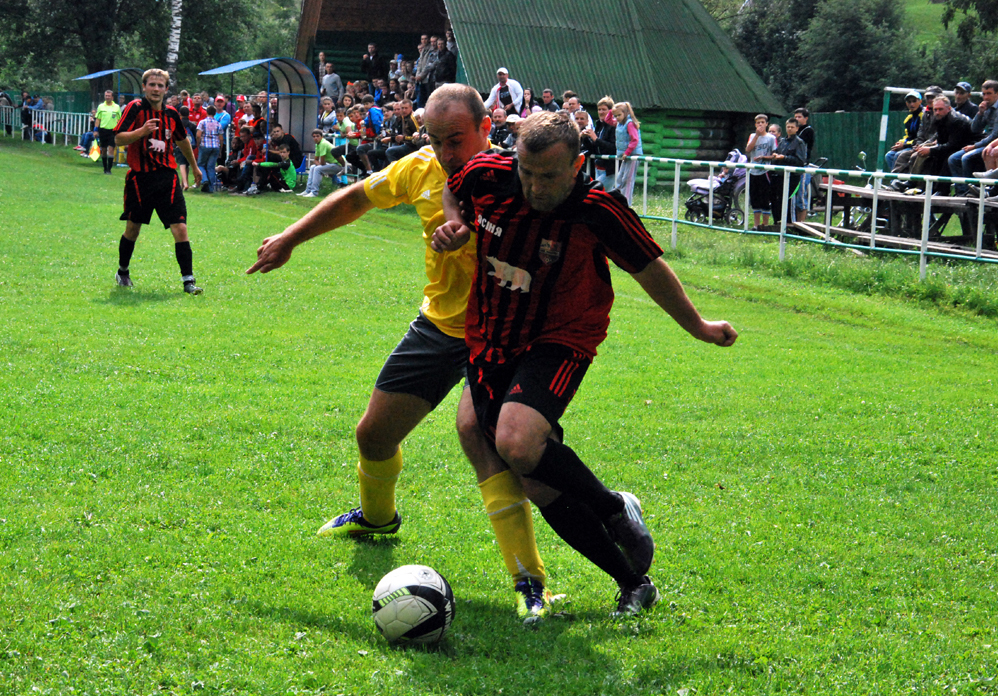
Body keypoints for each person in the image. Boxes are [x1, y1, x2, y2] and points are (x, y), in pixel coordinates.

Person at [247, 84, 555, 625]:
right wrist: (292, 238)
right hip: (439, 326)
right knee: (374, 434)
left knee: (482, 442)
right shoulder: (418, 168)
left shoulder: (518, 179)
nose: (444, 152)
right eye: (434, 140)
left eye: (455, 140)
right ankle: (377, 519)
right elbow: (354, 199)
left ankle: (530, 583)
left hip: (502, 334)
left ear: (487, 127)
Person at [431, 110, 738, 616]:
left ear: (577, 164)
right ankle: (632, 581)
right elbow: (453, 188)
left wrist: (699, 327)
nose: (534, 186)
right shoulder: (489, 173)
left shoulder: (599, 208)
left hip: (561, 339)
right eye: (527, 173)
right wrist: (456, 222)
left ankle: (614, 507)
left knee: (516, 440)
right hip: (489, 338)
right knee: (531, 472)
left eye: (548, 176)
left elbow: (651, 271)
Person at [112, 68, 203, 295]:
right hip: (139, 178)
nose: (155, 89)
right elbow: (118, 137)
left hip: (167, 178)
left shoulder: (172, 114)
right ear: (144, 87)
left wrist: (194, 166)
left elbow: (182, 141)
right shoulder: (135, 108)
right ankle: (123, 271)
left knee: (180, 227)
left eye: (160, 85)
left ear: (165, 89)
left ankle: (188, 281)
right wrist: (141, 131)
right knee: (133, 228)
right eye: (151, 85)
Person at [914, 96, 975, 191]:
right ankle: (926, 188)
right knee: (931, 156)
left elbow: (953, 145)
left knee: (949, 157)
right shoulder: (940, 119)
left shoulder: (955, 121)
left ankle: (947, 190)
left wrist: (931, 150)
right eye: (935, 110)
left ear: (949, 109)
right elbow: (942, 141)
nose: (937, 112)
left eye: (940, 109)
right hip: (958, 145)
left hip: (972, 145)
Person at [949, 80, 998, 195]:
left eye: (989, 93)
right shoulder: (987, 108)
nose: (985, 97)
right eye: (984, 94)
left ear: (997, 94)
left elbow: (995, 135)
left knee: (966, 158)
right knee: (953, 159)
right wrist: (980, 113)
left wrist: (974, 146)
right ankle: (962, 191)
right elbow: (974, 129)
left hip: (992, 143)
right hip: (987, 143)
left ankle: (972, 191)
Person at [761, 118, 806, 225]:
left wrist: (784, 157)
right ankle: (777, 222)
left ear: (797, 129)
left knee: (787, 200)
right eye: (788, 127)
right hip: (778, 176)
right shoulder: (781, 141)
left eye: (792, 127)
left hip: (792, 177)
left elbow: (800, 161)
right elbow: (775, 155)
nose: (790, 129)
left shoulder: (799, 143)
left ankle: (789, 224)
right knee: (774, 199)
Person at [603, 101, 643, 205]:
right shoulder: (619, 123)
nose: (616, 118)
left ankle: (626, 203)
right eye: (615, 116)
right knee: (620, 178)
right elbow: (608, 120)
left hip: (633, 155)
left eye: (619, 115)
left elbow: (635, 139)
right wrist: (612, 110)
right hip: (626, 155)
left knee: (628, 179)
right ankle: (619, 200)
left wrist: (627, 152)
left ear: (626, 113)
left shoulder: (629, 124)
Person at [885, 91, 924, 173]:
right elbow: (909, 136)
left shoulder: (924, 116)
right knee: (889, 155)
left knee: (898, 155)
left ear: (920, 101)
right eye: (909, 102)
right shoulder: (909, 118)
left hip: (920, 145)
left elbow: (922, 137)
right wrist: (900, 143)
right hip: (910, 145)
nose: (911, 104)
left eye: (914, 101)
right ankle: (897, 179)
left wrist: (904, 145)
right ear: (906, 104)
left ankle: (896, 182)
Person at [300, 129, 342, 198]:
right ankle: (308, 190)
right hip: (331, 164)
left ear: (322, 137)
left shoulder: (323, 143)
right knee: (313, 167)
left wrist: (320, 167)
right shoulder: (318, 144)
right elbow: (315, 160)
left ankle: (314, 192)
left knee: (317, 169)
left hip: (338, 165)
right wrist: (320, 166)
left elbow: (322, 162)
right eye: (314, 136)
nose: (315, 138)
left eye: (317, 136)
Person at [793, 108, 814, 222]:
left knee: (801, 195)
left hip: (803, 165)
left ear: (805, 118)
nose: (797, 119)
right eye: (795, 117)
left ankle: (801, 222)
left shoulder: (807, 131)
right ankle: (794, 220)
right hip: (793, 165)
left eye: (799, 117)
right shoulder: (795, 131)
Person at [591, 97, 618, 189]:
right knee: (604, 197)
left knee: (593, 191)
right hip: (598, 166)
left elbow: (613, 148)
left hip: (610, 169)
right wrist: (587, 138)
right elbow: (594, 147)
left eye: (604, 109)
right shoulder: (599, 125)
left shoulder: (613, 126)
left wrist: (596, 139)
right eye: (599, 109)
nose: (601, 112)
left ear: (610, 111)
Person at [196, 105, 223, 193]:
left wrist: (198, 143)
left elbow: (198, 135)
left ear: (207, 112)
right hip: (215, 146)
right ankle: (211, 188)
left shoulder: (202, 122)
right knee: (211, 167)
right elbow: (221, 138)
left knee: (200, 164)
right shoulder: (218, 124)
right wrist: (220, 148)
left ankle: (204, 180)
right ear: (215, 113)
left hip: (205, 145)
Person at [95, 90, 122, 174]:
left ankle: (109, 169)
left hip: (112, 131)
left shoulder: (116, 107)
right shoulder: (101, 106)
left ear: (112, 97)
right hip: (103, 130)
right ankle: (104, 167)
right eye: (106, 95)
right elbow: (98, 119)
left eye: (109, 95)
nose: (107, 97)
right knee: (103, 149)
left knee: (111, 149)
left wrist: (119, 130)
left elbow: (119, 120)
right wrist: (95, 130)